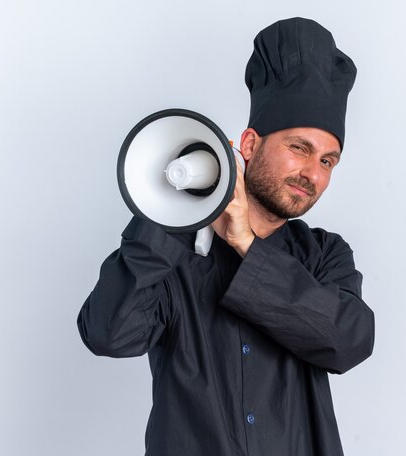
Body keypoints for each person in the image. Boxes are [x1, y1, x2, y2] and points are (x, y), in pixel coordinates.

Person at [78, 17, 375, 456]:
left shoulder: (326, 254)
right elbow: (108, 334)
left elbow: (347, 341)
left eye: (328, 161)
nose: (312, 173)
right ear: (250, 145)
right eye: (299, 148)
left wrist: (246, 246)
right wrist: (171, 209)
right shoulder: (172, 251)